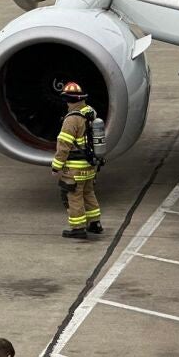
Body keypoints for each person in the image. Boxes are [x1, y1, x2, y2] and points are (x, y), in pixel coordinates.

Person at [50, 81, 102, 239]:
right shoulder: (90, 113)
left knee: (74, 196)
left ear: (68, 100)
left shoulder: (71, 120)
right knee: (89, 193)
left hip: (74, 168)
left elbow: (64, 145)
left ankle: (78, 228)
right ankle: (95, 223)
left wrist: (56, 166)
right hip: (89, 165)